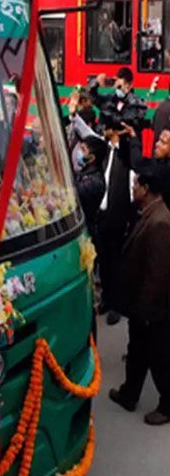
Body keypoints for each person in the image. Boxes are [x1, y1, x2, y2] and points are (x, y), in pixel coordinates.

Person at [109, 163, 170, 424]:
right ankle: (129, 394)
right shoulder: (148, 213)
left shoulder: (159, 223)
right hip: (141, 306)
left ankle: (168, 405)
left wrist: (146, 310)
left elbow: (159, 274)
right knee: (137, 352)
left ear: (146, 189)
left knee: (159, 357)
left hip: (152, 309)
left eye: (135, 185)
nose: (132, 188)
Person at [96, 115, 137, 325]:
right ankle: (106, 297)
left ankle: (116, 304)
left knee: (116, 261)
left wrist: (129, 136)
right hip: (101, 214)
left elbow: (132, 183)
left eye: (108, 128)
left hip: (118, 215)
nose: (105, 130)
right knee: (103, 259)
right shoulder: (103, 151)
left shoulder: (125, 154)